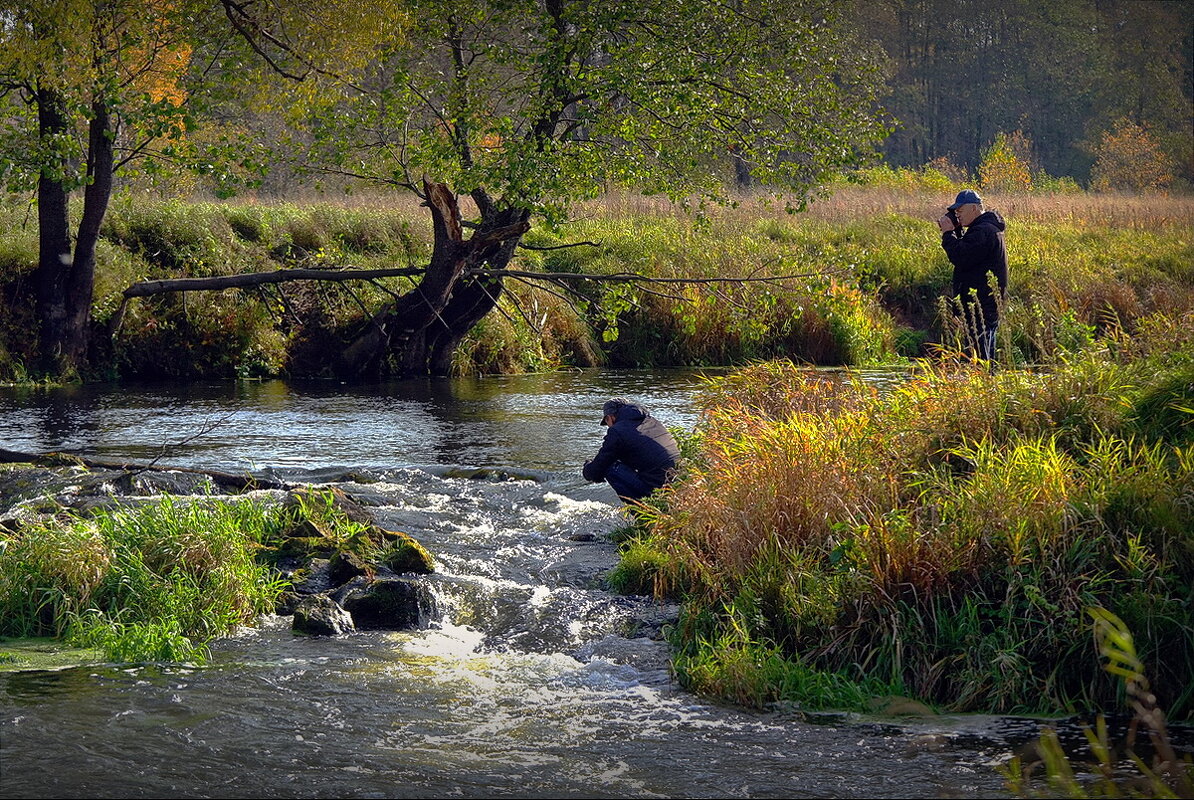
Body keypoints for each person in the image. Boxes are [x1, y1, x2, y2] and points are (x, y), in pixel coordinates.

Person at [937, 188, 1009, 363]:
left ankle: (986, 386)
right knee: (981, 360)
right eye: (955, 212)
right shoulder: (984, 229)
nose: (957, 215)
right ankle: (987, 386)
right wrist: (957, 231)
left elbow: (960, 256)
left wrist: (948, 233)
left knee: (980, 361)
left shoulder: (983, 231)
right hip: (982, 308)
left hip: (982, 309)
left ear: (974, 208)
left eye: (960, 211)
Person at [583, 397, 680, 503]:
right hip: (678, 482)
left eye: (607, 422)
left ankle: (641, 513)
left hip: (657, 486)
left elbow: (599, 467)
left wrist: (587, 468)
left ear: (610, 417)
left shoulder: (617, 431)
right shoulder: (653, 422)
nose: (608, 426)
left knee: (610, 467)